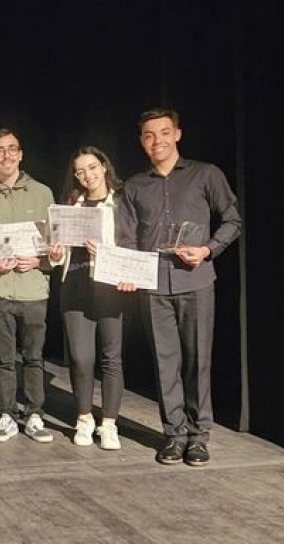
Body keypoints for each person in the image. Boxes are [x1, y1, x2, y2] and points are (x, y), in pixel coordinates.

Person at [117, 107, 241, 466]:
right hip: (153, 285)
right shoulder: (134, 186)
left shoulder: (206, 174)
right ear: (142, 141)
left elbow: (232, 220)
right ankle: (174, 434)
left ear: (177, 134)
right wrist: (126, 271)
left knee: (198, 361)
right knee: (164, 362)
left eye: (164, 132)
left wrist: (207, 249)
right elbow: (126, 238)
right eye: (149, 135)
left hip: (196, 280)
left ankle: (199, 436)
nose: (157, 141)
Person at [0, 128, 55, 444]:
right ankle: (7, 414)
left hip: (33, 289)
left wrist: (40, 260)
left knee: (34, 356)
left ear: (21, 154)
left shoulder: (43, 193)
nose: (6, 155)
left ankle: (34, 414)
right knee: (3, 358)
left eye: (12, 149)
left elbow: (55, 244)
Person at [48, 146, 124, 450]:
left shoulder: (120, 203)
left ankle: (109, 424)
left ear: (104, 166)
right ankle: (84, 418)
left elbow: (131, 244)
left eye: (92, 168)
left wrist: (105, 251)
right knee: (80, 359)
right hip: (74, 286)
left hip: (108, 286)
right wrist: (55, 254)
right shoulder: (70, 203)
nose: (87, 175)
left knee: (111, 358)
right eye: (80, 171)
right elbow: (59, 251)